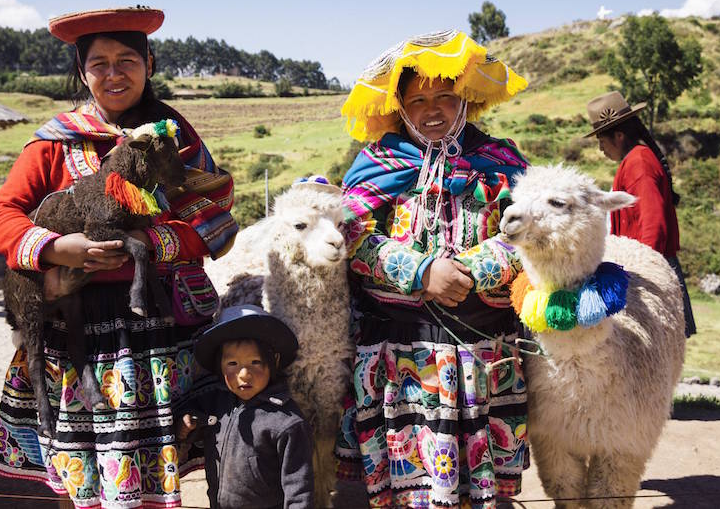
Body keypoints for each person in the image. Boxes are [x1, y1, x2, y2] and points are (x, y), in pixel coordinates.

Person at [0, 7, 238, 508]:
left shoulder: (174, 138)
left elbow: (211, 220)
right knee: (84, 473)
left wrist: (144, 249)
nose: (114, 73)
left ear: (149, 62)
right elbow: (2, 215)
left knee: (164, 470)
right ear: (83, 72)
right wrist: (55, 248)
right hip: (79, 327)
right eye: (99, 63)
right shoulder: (53, 144)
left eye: (127, 59)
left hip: (163, 323)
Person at [335, 30, 531, 508]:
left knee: (474, 489)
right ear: (399, 105)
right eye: (418, 99)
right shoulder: (378, 162)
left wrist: (471, 268)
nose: (433, 110)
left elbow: (532, 232)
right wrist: (421, 272)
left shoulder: (501, 163)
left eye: (445, 95)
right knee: (407, 488)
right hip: (400, 355)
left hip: (481, 350)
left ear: (464, 99)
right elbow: (347, 234)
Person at [178, 304, 314, 509]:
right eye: (232, 364)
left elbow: (299, 490)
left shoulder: (287, 423)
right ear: (219, 365)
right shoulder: (216, 403)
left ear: (274, 361)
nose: (244, 374)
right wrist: (184, 422)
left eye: (255, 362)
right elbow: (189, 412)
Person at [585, 91, 697, 337]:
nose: (602, 150)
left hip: (650, 265)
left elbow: (652, 223)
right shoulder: (636, 160)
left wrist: (646, 273)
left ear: (619, 136)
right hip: (645, 263)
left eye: (602, 143)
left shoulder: (639, 164)